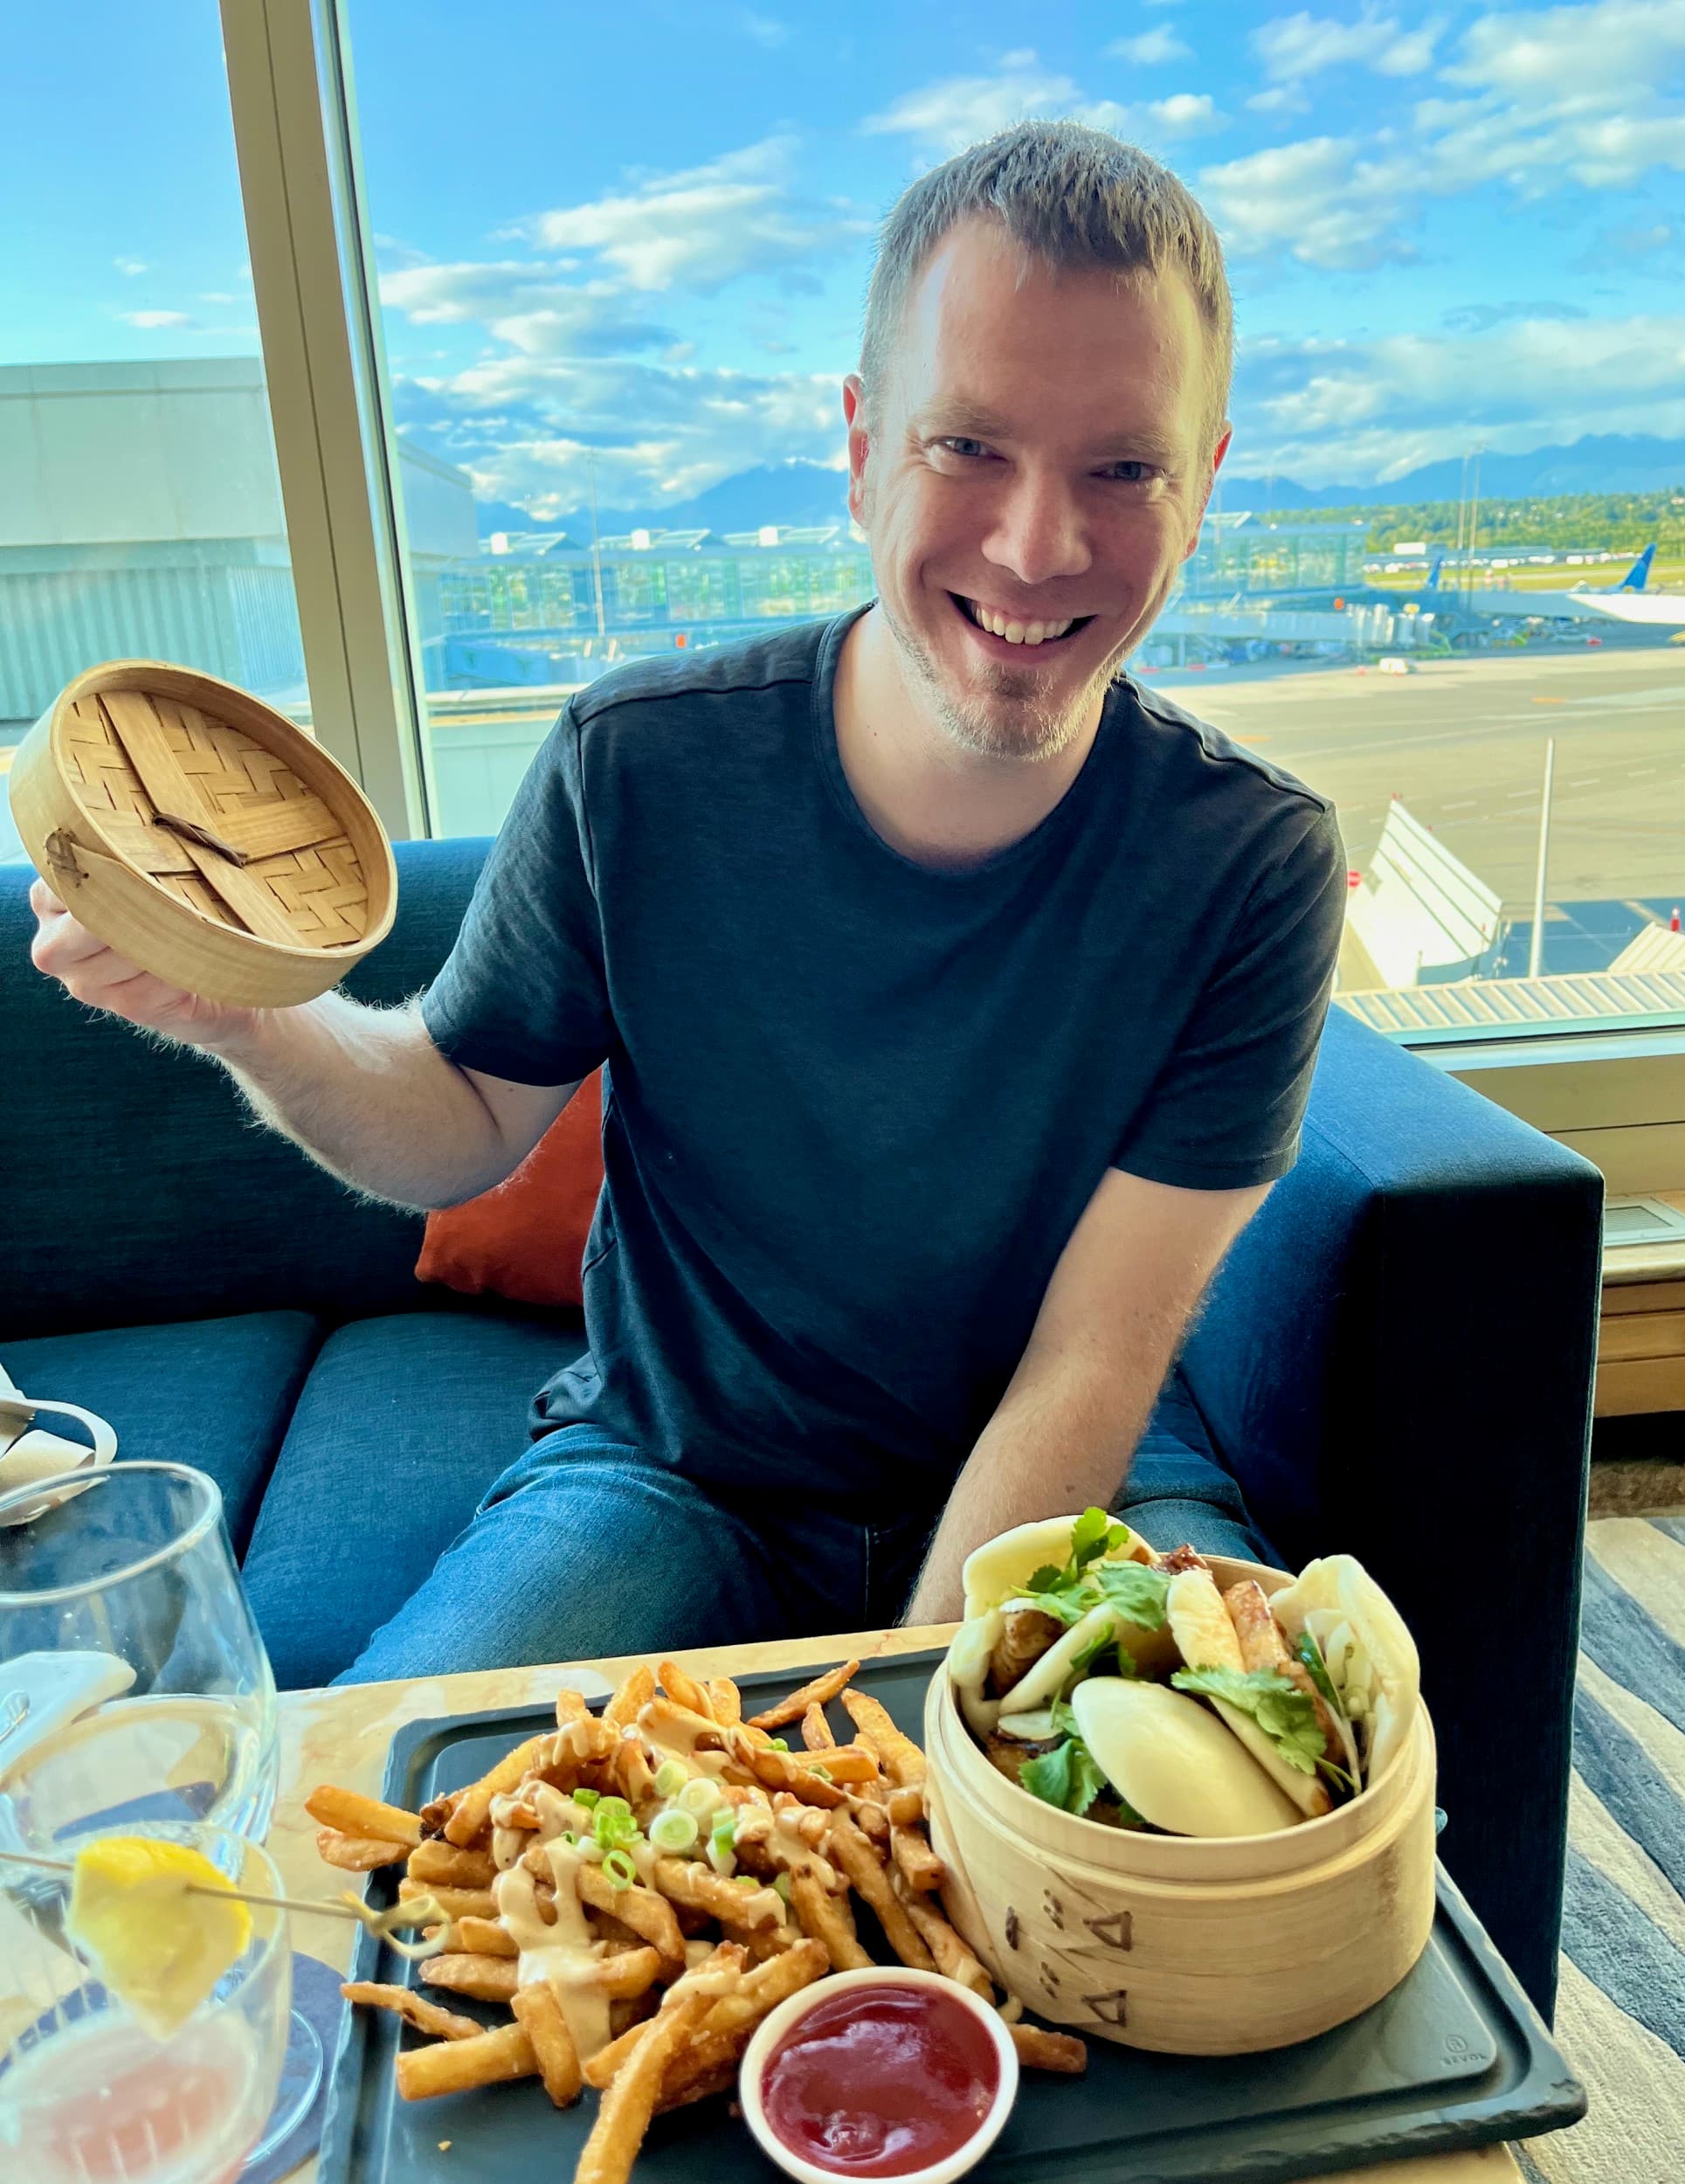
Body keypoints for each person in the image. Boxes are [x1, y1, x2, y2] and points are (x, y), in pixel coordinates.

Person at [29, 121, 1345, 1678]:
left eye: (1124, 466)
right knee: (392, 1865)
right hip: (671, 1477)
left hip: (1068, 1490)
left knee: (1263, 1887)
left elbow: (1094, 1357)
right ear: (862, 448)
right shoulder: (637, 764)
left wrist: (919, 1743)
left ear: (1204, 482)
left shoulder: (1252, 865)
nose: (1037, 543)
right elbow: (457, 1123)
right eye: (965, 445)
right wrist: (252, 1015)